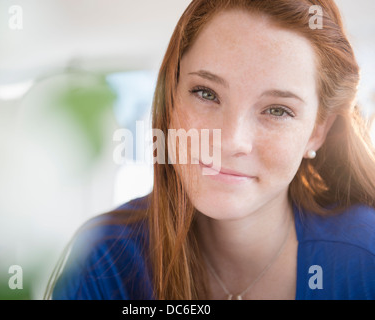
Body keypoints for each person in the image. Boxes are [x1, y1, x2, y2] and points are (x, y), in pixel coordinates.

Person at [46, 0, 375, 300]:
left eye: (277, 110)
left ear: (317, 133)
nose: (231, 140)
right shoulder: (105, 260)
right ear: (170, 97)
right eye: (206, 93)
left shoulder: (365, 258)